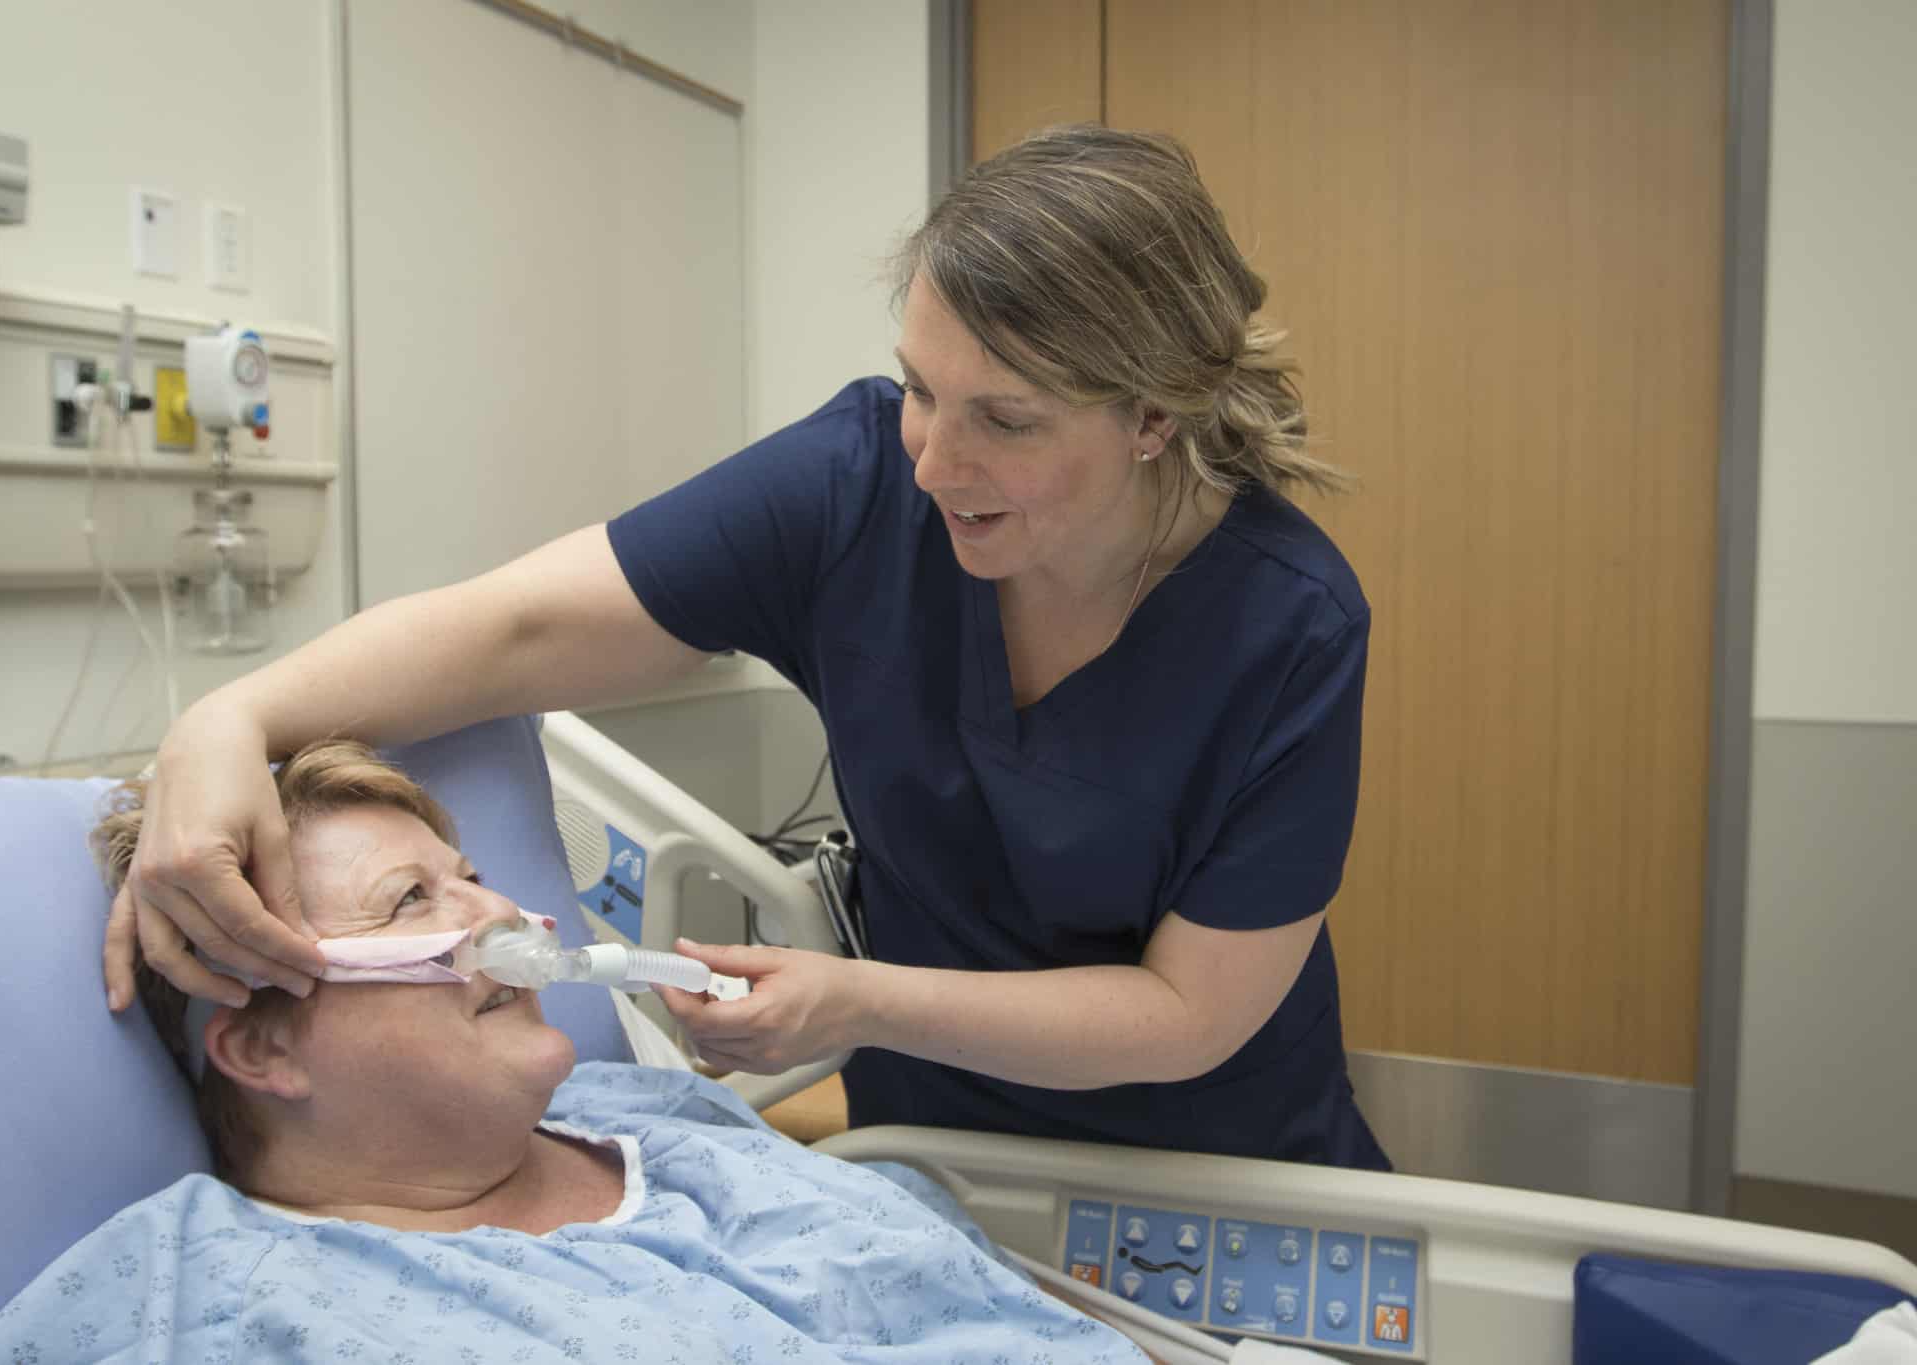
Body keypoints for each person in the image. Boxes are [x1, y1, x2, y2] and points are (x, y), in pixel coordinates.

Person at [105, 124, 1387, 1170]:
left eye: (1004, 418)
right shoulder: (852, 489)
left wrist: (855, 999)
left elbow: (1184, 1016)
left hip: (1222, 1166)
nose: (935, 463)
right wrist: (225, 721)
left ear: (1154, 416)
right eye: (920, 388)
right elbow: (514, 626)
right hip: (927, 1166)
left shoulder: (1287, 627)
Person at [0, 741, 1147, 1363]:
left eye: (472, 875)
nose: (511, 919)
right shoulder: (205, 1301)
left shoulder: (654, 1117)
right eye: (408, 903)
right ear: (264, 1046)